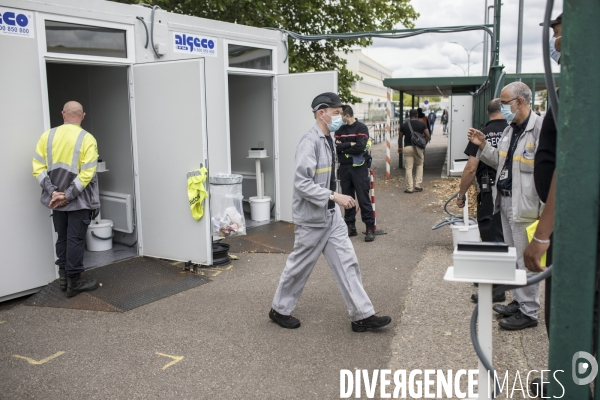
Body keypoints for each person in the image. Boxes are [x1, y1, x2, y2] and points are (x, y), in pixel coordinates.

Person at [269, 92, 391, 332]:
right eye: (335, 113)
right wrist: (335, 196)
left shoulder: (329, 140)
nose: (339, 117)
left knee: (348, 263)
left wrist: (335, 201)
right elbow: (302, 183)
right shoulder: (309, 142)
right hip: (312, 218)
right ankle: (279, 310)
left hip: (330, 216)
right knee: (299, 267)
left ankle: (362, 316)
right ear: (321, 113)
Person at [467, 81, 543, 331]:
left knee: (526, 258)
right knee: (514, 256)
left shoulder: (539, 129)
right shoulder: (511, 130)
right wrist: (483, 146)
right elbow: (499, 162)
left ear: (520, 102)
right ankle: (519, 302)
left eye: (505, 102)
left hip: (526, 205)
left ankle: (529, 312)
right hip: (507, 200)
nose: (503, 107)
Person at [32, 101, 100, 298]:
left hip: (56, 201)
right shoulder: (87, 138)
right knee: (75, 240)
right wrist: (68, 195)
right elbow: (87, 173)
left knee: (62, 238)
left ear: (63, 114)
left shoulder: (47, 136)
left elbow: (38, 168)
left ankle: (63, 278)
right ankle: (74, 283)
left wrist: (54, 193)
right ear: (83, 115)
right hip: (78, 201)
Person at [457, 98, 507, 304]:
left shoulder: (482, 134)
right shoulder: (513, 131)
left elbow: (471, 168)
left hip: (490, 190)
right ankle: (497, 279)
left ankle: (497, 289)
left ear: (488, 113)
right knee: (506, 235)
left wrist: (461, 195)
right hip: (512, 189)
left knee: (490, 236)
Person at [335, 105, 376, 242]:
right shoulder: (340, 130)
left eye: (340, 114)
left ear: (347, 115)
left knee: (363, 197)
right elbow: (336, 148)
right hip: (344, 168)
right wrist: (350, 144)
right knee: (347, 198)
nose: (338, 117)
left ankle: (370, 227)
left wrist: (344, 148)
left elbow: (361, 147)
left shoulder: (362, 128)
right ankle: (350, 226)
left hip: (359, 168)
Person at [399, 109, 431, 194]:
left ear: (409, 115)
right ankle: (417, 185)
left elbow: (400, 138)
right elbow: (428, 136)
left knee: (408, 168)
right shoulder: (422, 124)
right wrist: (424, 145)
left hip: (407, 147)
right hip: (418, 148)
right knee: (419, 165)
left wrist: (400, 148)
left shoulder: (404, 125)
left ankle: (409, 188)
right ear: (417, 115)